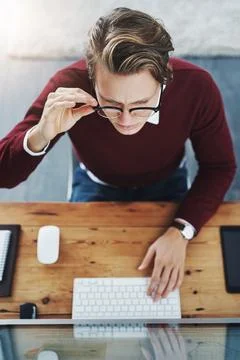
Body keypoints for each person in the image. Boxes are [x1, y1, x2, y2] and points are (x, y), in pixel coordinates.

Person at [0, 8, 236, 301]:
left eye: (141, 104)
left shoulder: (198, 87)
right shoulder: (68, 84)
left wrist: (181, 231)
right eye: (110, 104)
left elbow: (220, 166)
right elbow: (4, 176)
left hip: (168, 180)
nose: (125, 121)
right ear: (91, 78)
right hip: (95, 184)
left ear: (164, 79)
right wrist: (41, 133)